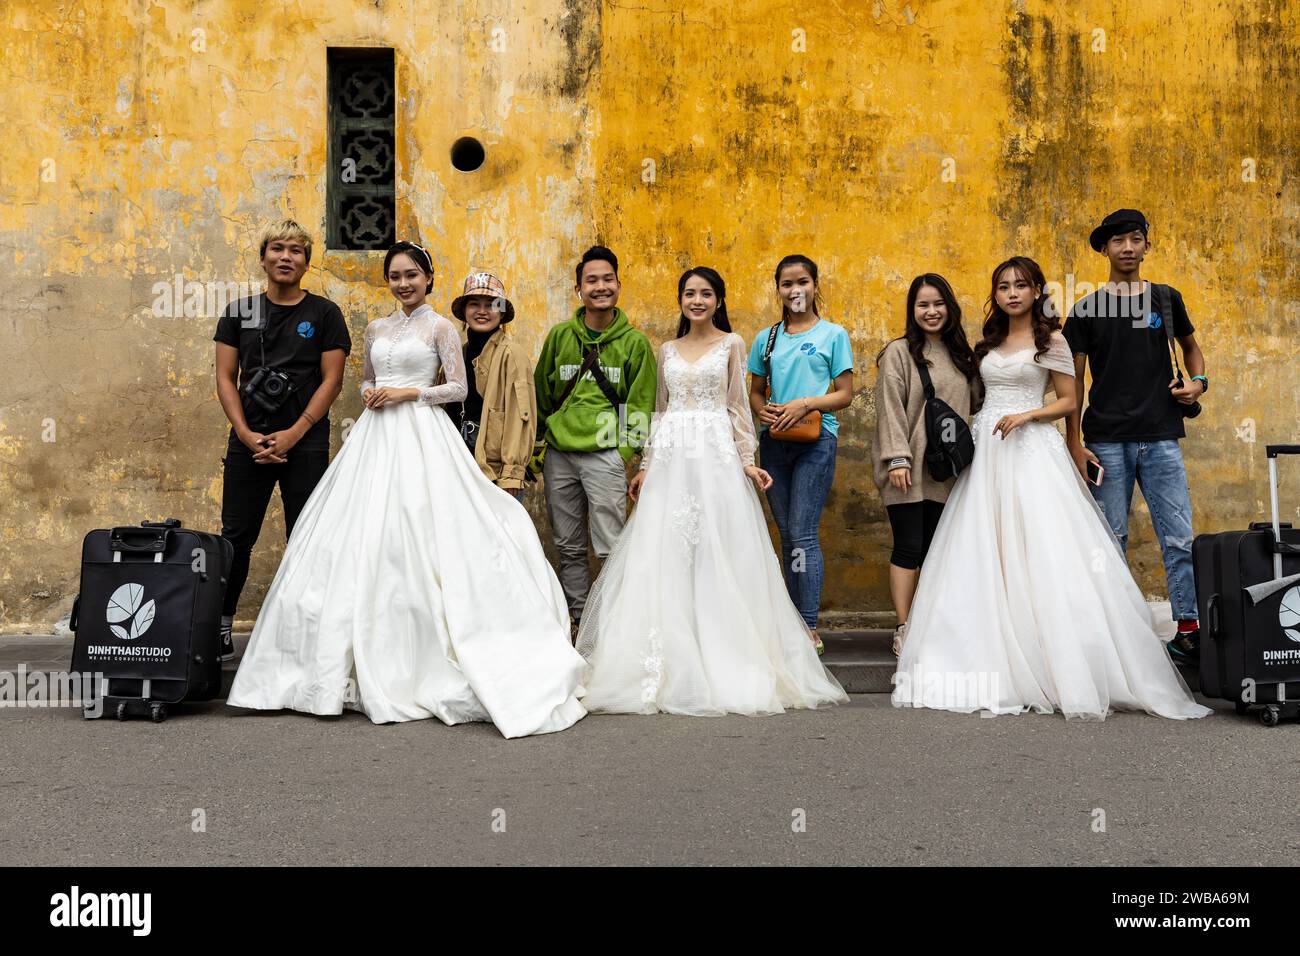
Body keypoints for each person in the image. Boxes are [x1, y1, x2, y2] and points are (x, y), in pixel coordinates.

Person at [226, 241, 587, 738]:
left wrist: (410, 393)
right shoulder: (376, 328)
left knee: (422, 532)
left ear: (429, 278)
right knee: (357, 535)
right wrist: (373, 393)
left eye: (412, 275)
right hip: (374, 441)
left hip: (421, 434)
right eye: (395, 276)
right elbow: (369, 381)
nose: (403, 284)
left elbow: (456, 388)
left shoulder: (440, 327)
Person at [891, 256, 1209, 720]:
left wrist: (1027, 415)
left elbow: (1068, 400)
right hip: (989, 451)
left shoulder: (1053, 339)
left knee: (1044, 548)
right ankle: (984, 655)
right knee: (986, 548)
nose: (1012, 293)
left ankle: (1057, 656)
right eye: (1003, 287)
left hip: (1032, 448)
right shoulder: (988, 341)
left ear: (1037, 290)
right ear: (995, 295)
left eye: (1021, 285)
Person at [576, 267, 847, 715]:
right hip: (672, 459)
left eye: (705, 294)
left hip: (716, 457)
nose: (696, 300)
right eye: (689, 293)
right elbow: (660, 412)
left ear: (718, 300)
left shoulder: (733, 344)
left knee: (720, 549)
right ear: (680, 300)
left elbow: (739, 407)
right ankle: (664, 658)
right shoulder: (667, 350)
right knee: (666, 551)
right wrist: (645, 465)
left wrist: (747, 461)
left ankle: (727, 652)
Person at [1064, 209, 1209, 662]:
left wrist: (1198, 384)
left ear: (1147, 245)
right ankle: (1117, 634)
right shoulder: (1086, 310)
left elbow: (1192, 350)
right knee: (1111, 539)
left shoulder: (1166, 299)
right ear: (1104, 249)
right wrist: (1074, 442)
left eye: (1135, 239)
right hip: (1106, 439)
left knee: (1179, 536)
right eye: (1117, 241)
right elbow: (1073, 382)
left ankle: (1188, 630)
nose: (1127, 248)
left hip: (1162, 436)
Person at [213, 220, 351, 662]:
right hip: (248, 440)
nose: (286, 257)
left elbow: (331, 381)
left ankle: (304, 629)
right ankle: (219, 625)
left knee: (306, 535)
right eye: (277, 248)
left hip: (304, 440)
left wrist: (294, 433)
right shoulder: (240, 312)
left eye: (296, 250)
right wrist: (244, 433)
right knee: (236, 536)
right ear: (263, 257)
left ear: (307, 263)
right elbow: (224, 377)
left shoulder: (324, 314)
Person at [534, 245, 657, 638]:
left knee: (610, 546)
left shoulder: (634, 344)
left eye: (607, 279)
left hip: (605, 454)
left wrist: (623, 453)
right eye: (592, 281)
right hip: (560, 457)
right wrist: (542, 446)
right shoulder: (559, 337)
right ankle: (577, 620)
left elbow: (641, 405)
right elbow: (542, 394)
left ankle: (611, 625)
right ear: (578, 289)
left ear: (618, 285)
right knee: (568, 545)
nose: (600, 287)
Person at [747, 255, 854, 653]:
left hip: (816, 440)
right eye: (787, 283)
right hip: (775, 441)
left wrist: (806, 404)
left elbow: (844, 394)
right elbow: (756, 391)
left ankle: (808, 626)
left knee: (804, 532)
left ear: (814, 286)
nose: (795, 290)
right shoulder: (767, 338)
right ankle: (790, 620)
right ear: (778, 289)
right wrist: (764, 409)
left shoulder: (833, 334)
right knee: (788, 534)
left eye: (803, 282)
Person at [872, 274, 981, 657]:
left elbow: (978, 405)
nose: (931, 312)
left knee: (938, 549)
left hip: (946, 471)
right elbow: (890, 410)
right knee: (909, 547)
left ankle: (931, 623)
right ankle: (904, 627)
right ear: (912, 310)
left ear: (950, 307)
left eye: (938, 304)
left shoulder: (964, 357)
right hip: (906, 467)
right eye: (923, 305)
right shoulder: (899, 352)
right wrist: (896, 458)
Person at [447, 272, 535, 502]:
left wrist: (512, 474)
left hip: (494, 469)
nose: (482, 311)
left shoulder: (512, 355)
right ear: (465, 311)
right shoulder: (459, 353)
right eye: (474, 304)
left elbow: (520, 418)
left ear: (502, 312)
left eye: (491, 305)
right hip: (460, 460)